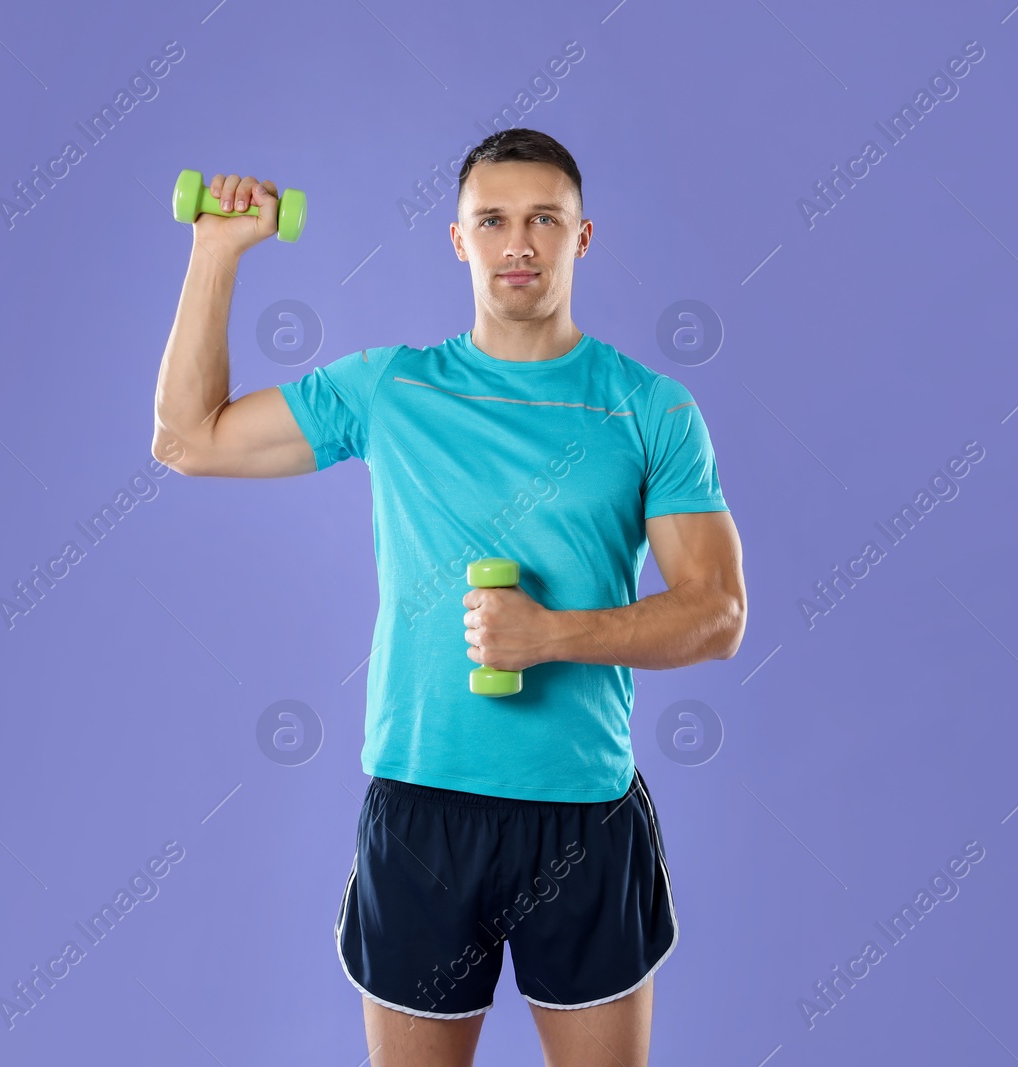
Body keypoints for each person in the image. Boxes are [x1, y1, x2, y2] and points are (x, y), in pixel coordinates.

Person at [151, 128, 746, 1067]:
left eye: (544, 219)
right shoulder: (391, 388)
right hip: (424, 811)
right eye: (494, 220)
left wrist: (552, 634)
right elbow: (190, 439)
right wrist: (216, 252)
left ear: (580, 237)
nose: (519, 242)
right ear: (458, 240)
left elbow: (717, 613)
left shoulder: (651, 408)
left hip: (582, 817)